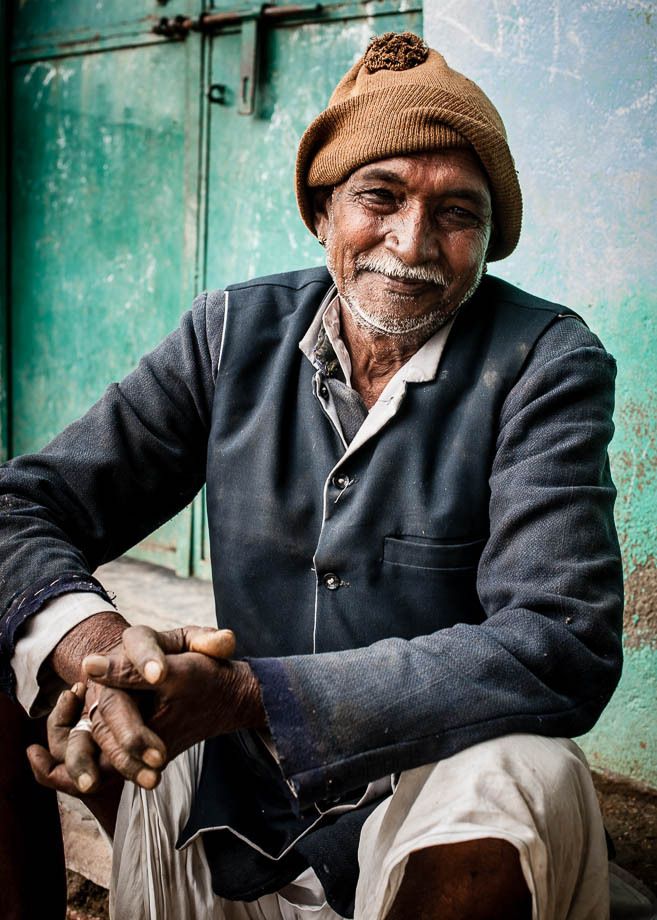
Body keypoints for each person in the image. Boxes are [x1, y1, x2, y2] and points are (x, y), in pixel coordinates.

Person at [0, 32, 624, 920]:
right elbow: (18, 508)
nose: (412, 242)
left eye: (457, 213)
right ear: (321, 212)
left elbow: (561, 642)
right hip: (244, 809)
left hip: (427, 797)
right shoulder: (229, 336)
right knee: (19, 621)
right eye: (381, 196)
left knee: (522, 770)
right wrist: (98, 650)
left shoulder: (542, 361)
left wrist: (253, 695)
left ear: (489, 239)